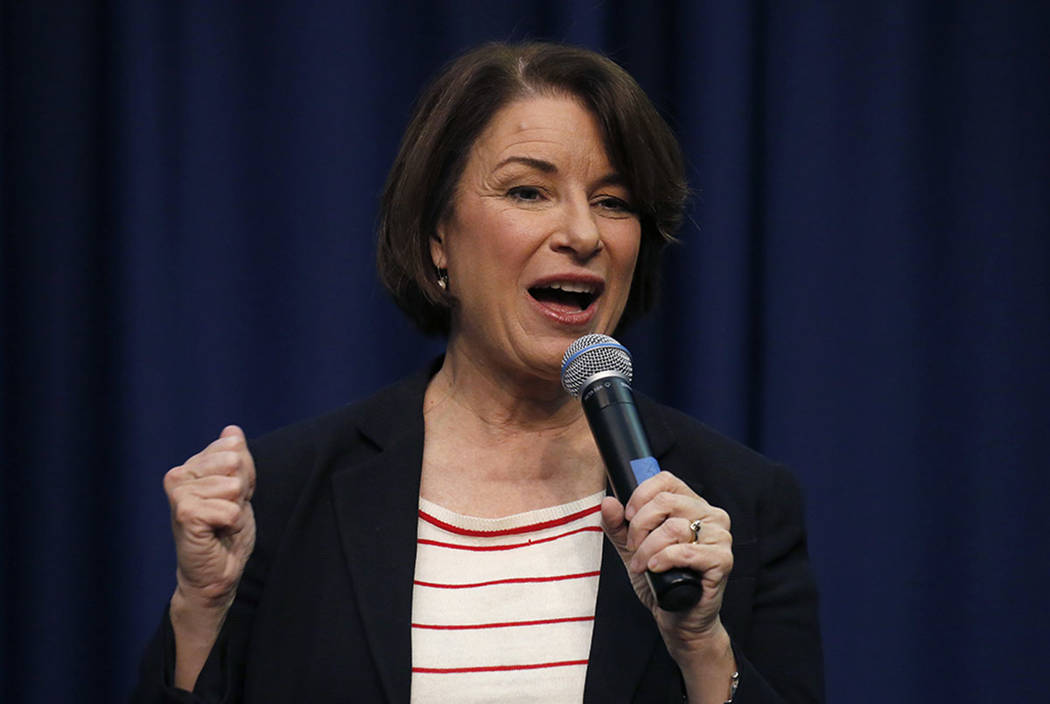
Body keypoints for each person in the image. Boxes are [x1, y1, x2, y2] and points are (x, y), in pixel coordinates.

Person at [133, 42, 823, 703]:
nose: (583, 234)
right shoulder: (285, 497)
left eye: (614, 202)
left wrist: (701, 644)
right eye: (528, 192)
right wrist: (200, 611)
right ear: (438, 236)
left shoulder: (737, 502)